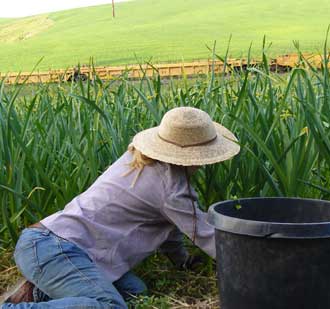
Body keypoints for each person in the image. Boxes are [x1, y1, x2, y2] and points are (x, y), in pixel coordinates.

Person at [1, 106, 240, 308]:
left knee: (135, 293)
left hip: (62, 246)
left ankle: (41, 291)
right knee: (109, 305)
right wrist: (250, 266)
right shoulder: (171, 189)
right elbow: (207, 235)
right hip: (54, 247)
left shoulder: (137, 158)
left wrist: (182, 260)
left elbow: (171, 227)